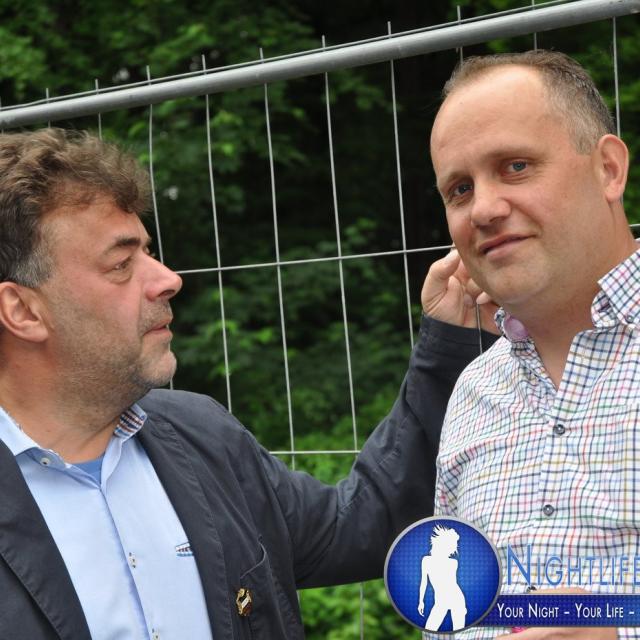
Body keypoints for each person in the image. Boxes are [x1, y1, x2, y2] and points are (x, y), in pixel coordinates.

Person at [0, 128, 496, 639]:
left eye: (148, 252)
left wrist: (449, 343)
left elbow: (357, 527)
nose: (168, 280)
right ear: (22, 311)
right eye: (122, 264)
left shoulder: (200, 437)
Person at [426, 49, 639, 640]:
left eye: (516, 166)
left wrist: (614, 631)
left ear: (608, 170)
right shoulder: (473, 393)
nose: (485, 209)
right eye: (459, 189)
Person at [417, 524, 467, 632]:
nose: (453, 549)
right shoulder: (426, 560)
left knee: (460, 634)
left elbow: (452, 584)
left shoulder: (453, 563)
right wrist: (421, 601)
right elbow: (423, 583)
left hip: (456, 599)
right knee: (429, 629)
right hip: (440, 601)